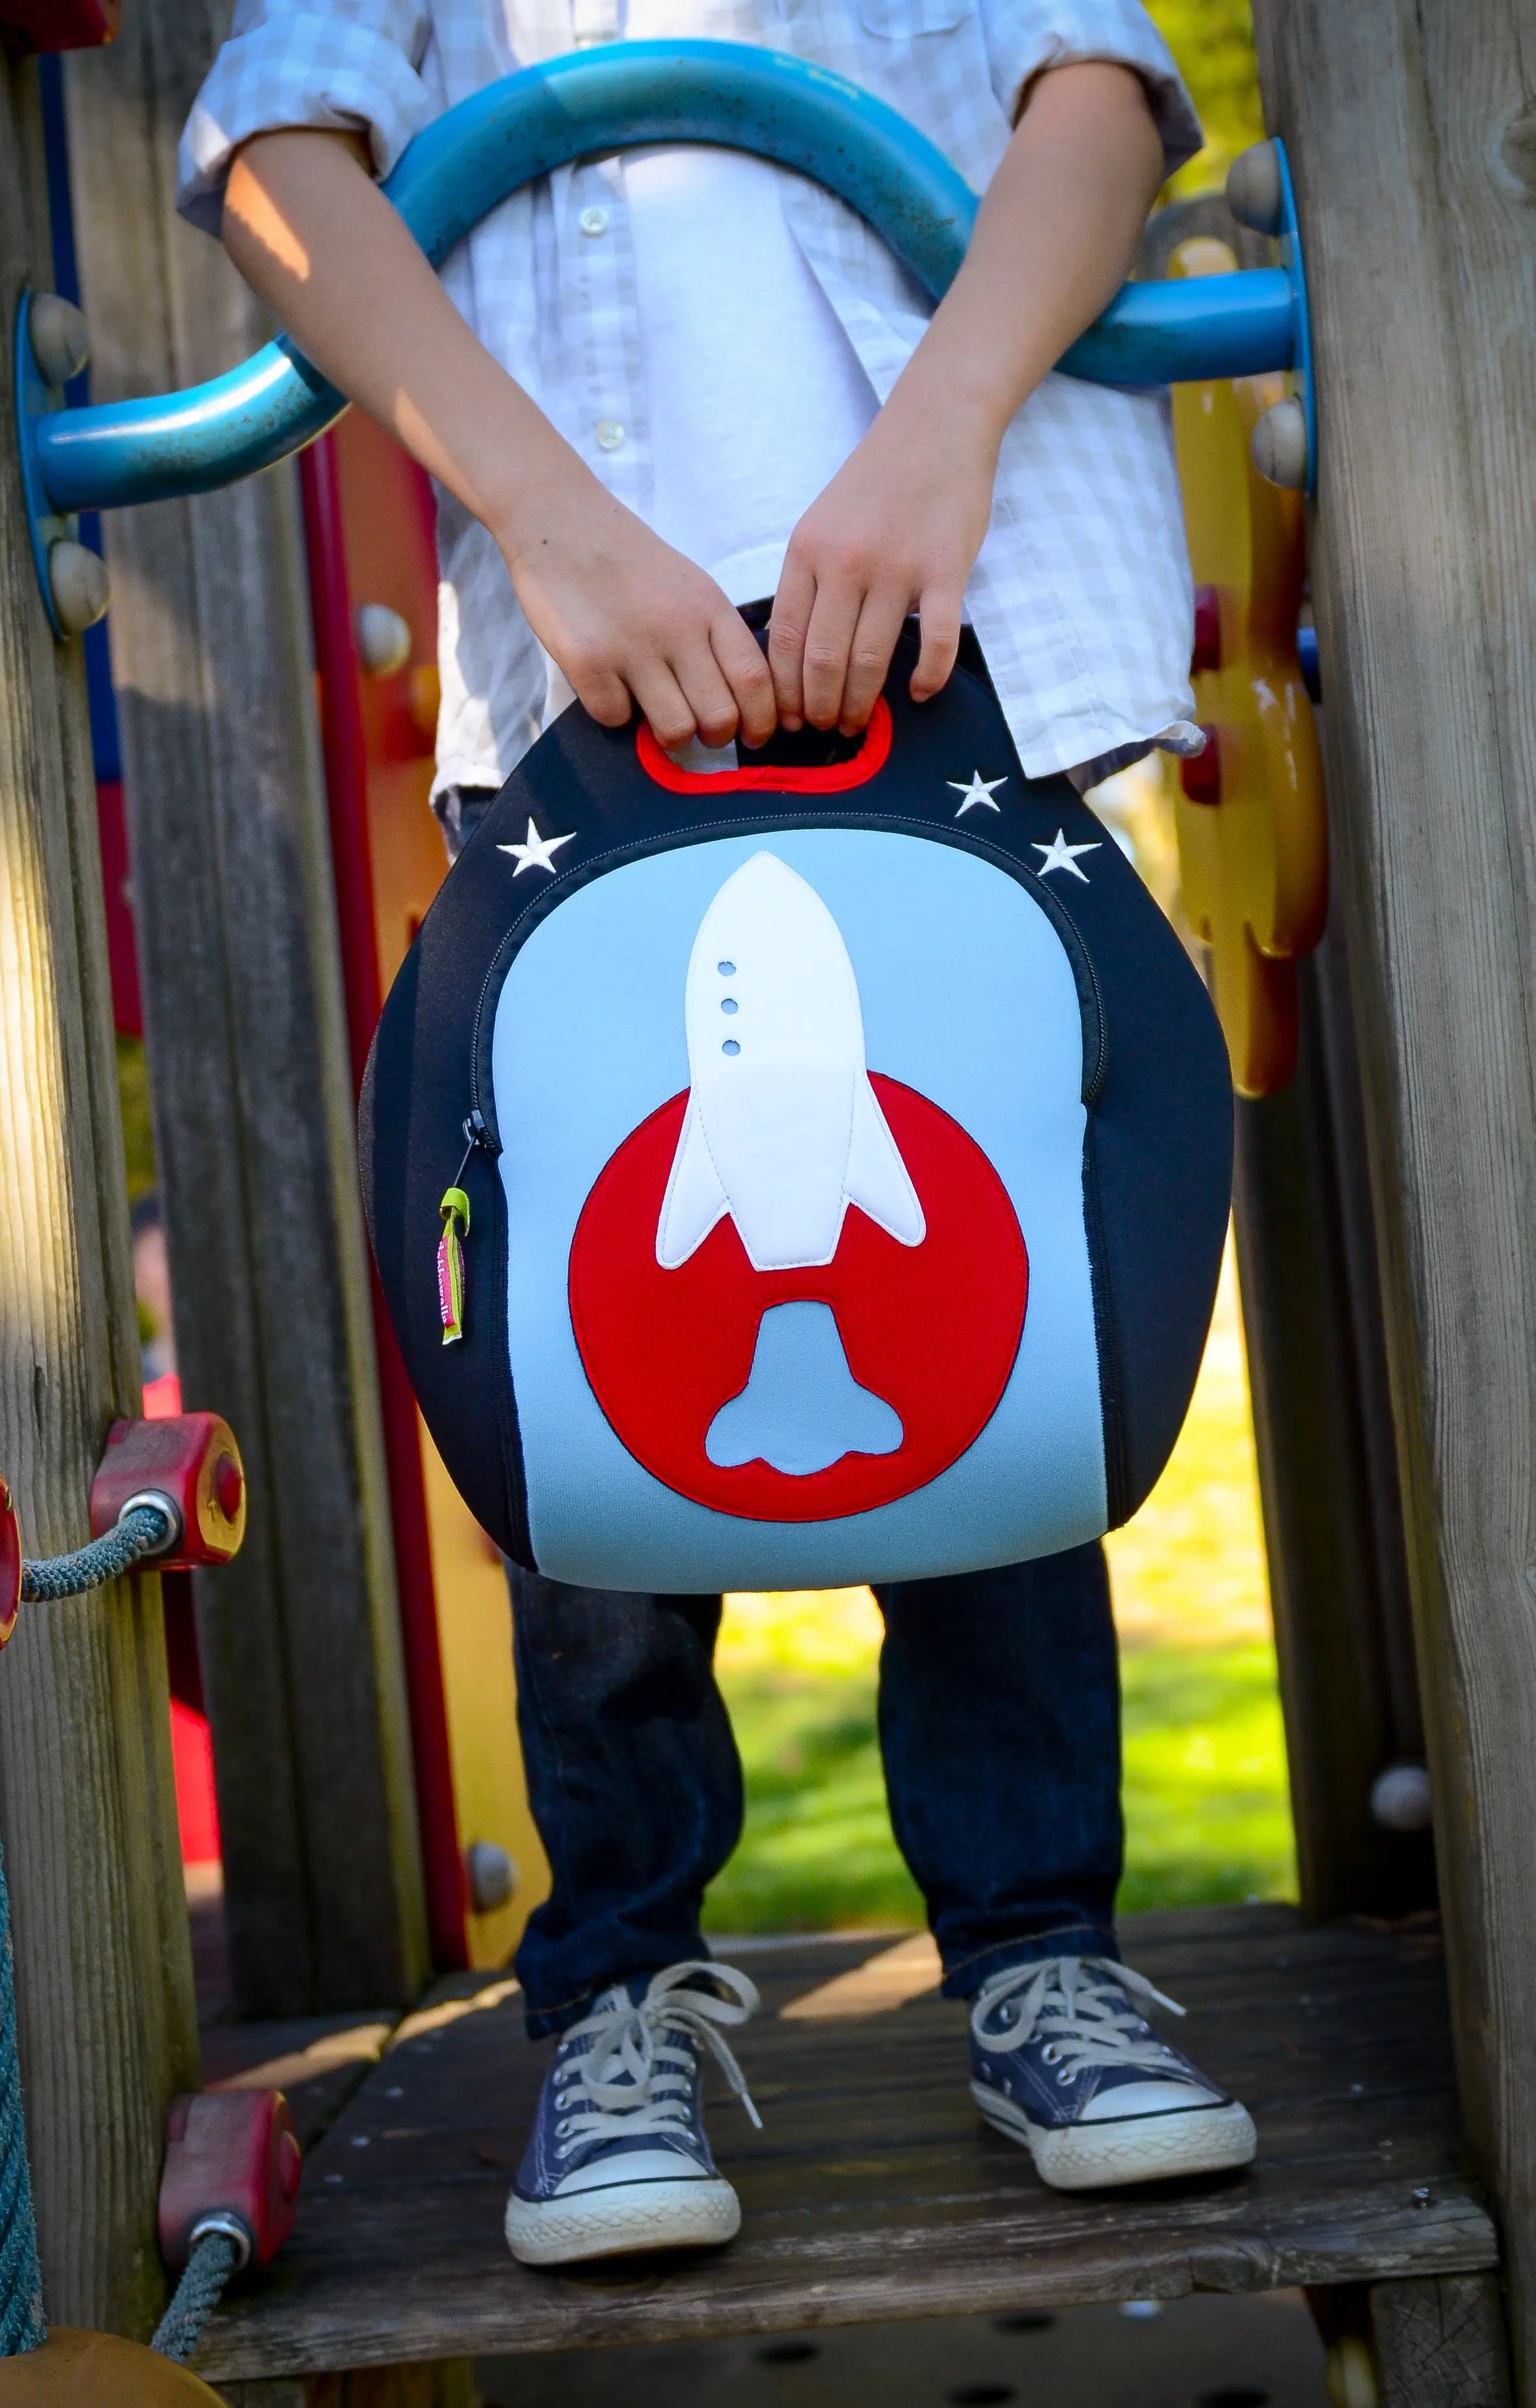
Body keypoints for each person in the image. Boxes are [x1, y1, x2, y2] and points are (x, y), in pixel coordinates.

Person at [180, 0, 1257, 2270]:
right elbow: (272, 140)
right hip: (602, 677)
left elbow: (1096, 90)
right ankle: (619, 1980)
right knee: (598, 1331)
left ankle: (1038, 1947)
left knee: (985, 1323)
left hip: (951, 635)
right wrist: (550, 522)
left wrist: (937, 436)